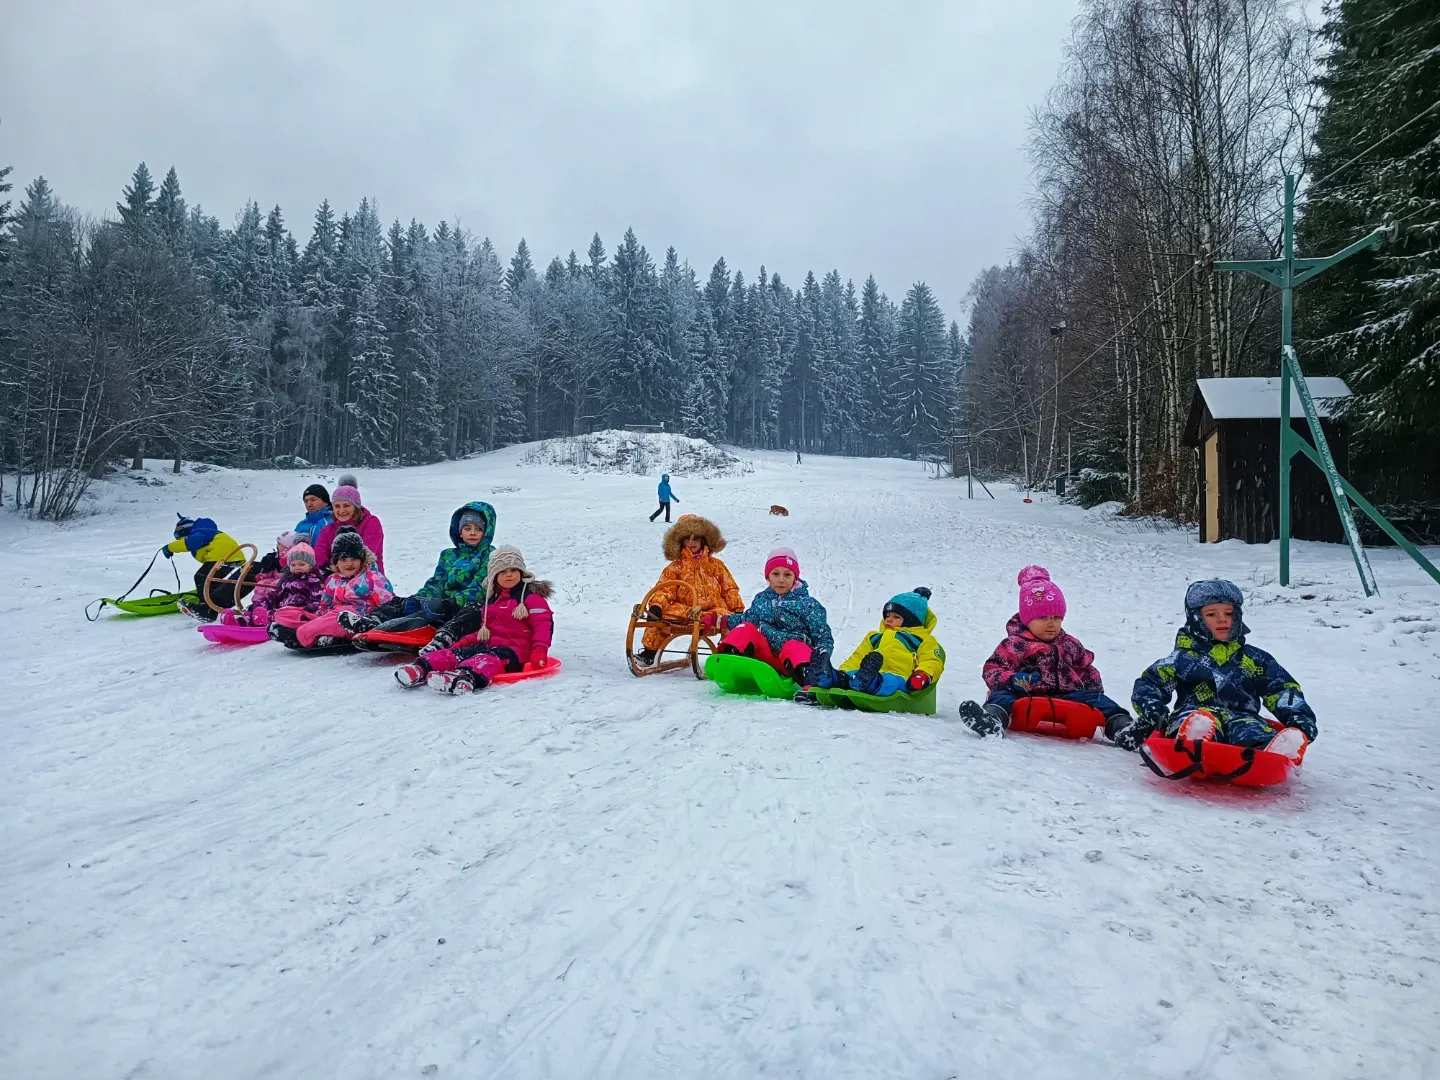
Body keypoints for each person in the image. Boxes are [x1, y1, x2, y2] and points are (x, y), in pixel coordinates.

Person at [1114, 579, 1317, 763]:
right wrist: (1153, 708)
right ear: (1196, 620)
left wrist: (1299, 717)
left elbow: (1280, 688)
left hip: (1242, 716)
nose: (1222, 620)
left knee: (1253, 730)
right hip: (1194, 713)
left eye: (1228, 613)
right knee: (1196, 720)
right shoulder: (1183, 658)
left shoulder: (1255, 659)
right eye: (1211, 614)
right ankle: (1193, 741)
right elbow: (1150, 684)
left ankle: (1271, 753)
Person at [956, 566, 1130, 737]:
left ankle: (1123, 728)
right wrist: (1013, 680)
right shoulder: (1016, 644)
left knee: (1102, 702)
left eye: (1056, 618)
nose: (1050, 623)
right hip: (1024, 693)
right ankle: (991, 721)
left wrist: (1094, 693)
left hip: (1068, 695)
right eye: (1042, 617)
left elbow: (1087, 670)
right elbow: (993, 669)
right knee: (1001, 696)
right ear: (1027, 619)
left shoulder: (1070, 644)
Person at [394, 546, 553, 695]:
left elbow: (543, 625)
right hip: (489, 645)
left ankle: (464, 677)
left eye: (513, 570)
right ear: (494, 577)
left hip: (516, 652)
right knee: (455, 654)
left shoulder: (530, 599)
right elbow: (485, 631)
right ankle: (420, 668)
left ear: (522, 573)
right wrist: (463, 643)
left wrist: (540, 650)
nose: (509, 575)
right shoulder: (491, 601)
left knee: (487, 659)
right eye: (503, 571)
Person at [338, 502, 496, 634]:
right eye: (467, 529)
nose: (473, 533)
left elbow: (480, 587)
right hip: (442, 602)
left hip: (462, 605)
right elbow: (437, 582)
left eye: (478, 529)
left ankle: (394, 629)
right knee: (403, 603)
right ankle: (373, 620)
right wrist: (421, 597)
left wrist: (450, 603)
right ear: (460, 532)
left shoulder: (488, 554)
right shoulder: (448, 555)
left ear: (486, 532)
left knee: (424, 615)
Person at [633, 514, 743, 667]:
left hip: (711, 611)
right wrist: (657, 605)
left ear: (703, 540)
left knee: (729, 619)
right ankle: (649, 653)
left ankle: (729, 652)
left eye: (695, 539)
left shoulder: (716, 565)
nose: (691, 543)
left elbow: (729, 588)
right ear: (680, 542)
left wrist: (736, 608)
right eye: (687, 539)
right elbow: (665, 589)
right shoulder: (675, 567)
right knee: (657, 616)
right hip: (686, 611)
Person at [716, 547, 833, 683]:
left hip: (792, 660)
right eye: (775, 574)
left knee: (794, 646)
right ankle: (730, 658)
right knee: (746, 628)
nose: (781, 580)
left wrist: (822, 657)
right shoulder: (761, 600)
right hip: (764, 658)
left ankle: (807, 676)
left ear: (795, 577)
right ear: (768, 576)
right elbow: (746, 619)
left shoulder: (808, 605)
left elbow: (823, 635)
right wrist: (720, 620)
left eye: (787, 575)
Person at [804, 588, 944, 698]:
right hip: (864, 673)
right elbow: (858, 657)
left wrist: (922, 675)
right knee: (850, 675)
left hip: (901, 678)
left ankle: (870, 681)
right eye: (887, 615)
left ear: (912, 621)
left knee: (890, 681)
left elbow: (932, 660)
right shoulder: (875, 637)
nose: (888, 620)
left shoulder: (922, 640)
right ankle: (830, 677)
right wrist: (844, 671)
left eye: (896, 617)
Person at [269, 527, 393, 649]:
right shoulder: (333, 580)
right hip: (330, 617)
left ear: (362, 559)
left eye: (354, 559)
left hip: (355, 621)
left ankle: (299, 636)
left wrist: (372, 618)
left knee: (340, 615)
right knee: (283, 613)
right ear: (336, 562)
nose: (349, 564)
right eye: (343, 560)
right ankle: (316, 633)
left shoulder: (372, 578)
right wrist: (314, 616)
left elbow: (390, 605)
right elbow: (324, 606)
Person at [220, 539, 325, 627]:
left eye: (301, 564)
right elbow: (277, 593)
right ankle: (239, 622)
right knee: (260, 604)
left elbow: (317, 600)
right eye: (293, 565)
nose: (297, 567)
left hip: (297, 611)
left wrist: (306, 612)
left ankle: (262, 622)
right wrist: (265, 601)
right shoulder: (287, 578)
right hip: (282, 606)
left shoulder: (314, 580)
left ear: (311, 565)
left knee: (277, 614)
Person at [166, 514, 250, 619]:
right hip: (230, 557)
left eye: (182, 539)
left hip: (222, 556)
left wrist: (169, 548)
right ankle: (213, 603)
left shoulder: (198, 532)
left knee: (201, 577)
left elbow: (191, 542)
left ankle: (206, 610)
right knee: (211, 581)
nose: (182, 541)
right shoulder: (205, 531)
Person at [313, 473, 385, 572]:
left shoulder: (370, 523)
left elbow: (366, 552)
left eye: (346, 505)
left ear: (356, 507)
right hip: (336, 580)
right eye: (337, 506)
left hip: (369, 579)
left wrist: (336, 563)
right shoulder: (328, 530)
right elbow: (319, 555)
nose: (341, 511)